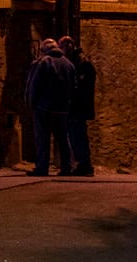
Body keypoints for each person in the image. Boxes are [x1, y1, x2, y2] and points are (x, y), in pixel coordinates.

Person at [24, 37, 75, 175]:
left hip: (44, 108)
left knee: (43, 139)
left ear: (45, 49)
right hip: (62, 108)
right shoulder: (68, 64)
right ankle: (67, 167)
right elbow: (73, 87)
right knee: (63, 139)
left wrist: (32, 103)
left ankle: (42, 167)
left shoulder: (44, 62)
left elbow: (35, 85)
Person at [61, 35, 97, 176]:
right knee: (77, 135)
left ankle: (84, 165)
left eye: (62, 47)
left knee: (78, 136)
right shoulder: (80, 62)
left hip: (77, 108)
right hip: (79, 107)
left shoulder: (80, 63)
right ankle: (82, 164)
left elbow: (79, 86)